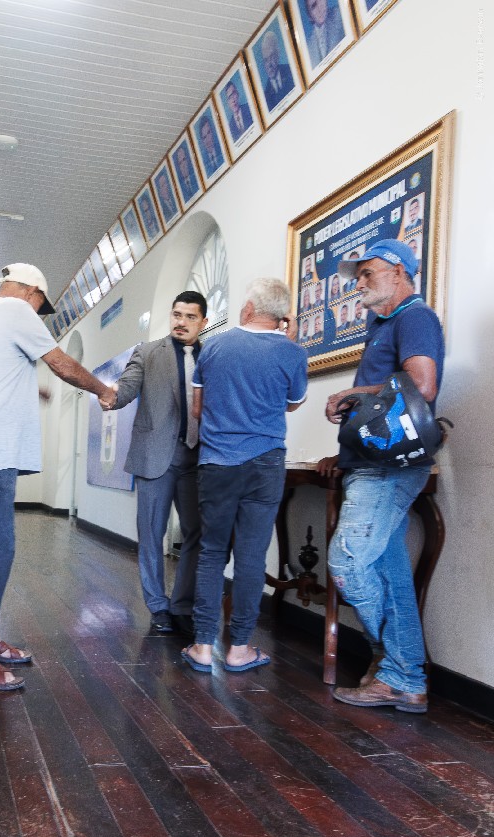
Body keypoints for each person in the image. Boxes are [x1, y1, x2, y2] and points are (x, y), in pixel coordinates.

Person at [0, 263, 116, 691]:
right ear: (32, 292)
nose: (38, 312)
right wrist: (104, 390)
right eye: (41, 305)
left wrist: (31, 390)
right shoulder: (16, 310)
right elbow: (62, 364)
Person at [317, 239, 445, 713]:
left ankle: (398, 671)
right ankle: (404, 676)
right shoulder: (383, 324)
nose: (360, 283)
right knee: (391, 576)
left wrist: (353, 394)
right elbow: (387, 401)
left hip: (388, 469)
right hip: (370, 464)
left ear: (399, 272)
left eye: (368, 272)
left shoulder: (415, 317)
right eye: (359, 276)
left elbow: (422, 386)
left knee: (348, 563)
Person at [181, 277, 307, 673]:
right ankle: (239, 649)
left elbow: (198, 410)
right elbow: (292, 404)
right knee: (252, 557)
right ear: (282, 317)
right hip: (265, 463)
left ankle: (202, 646)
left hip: (217, 462)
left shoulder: (214, 347)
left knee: (212, 552)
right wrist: (289, 343)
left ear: (249, 308)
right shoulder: (293, 352)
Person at [109, 292, 208, 638]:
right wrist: (108, 395)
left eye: (190, 317)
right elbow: (125, 389)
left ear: (203, 322)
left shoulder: (213, 355)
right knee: (152, 533)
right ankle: (158, 606)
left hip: (199, 458)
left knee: (197, 532)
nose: (181, 322)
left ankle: (182, 605)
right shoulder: (148, 352)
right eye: (177, 314)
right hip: (156, 456)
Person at [305, 0, 345, 69]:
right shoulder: (309, 48)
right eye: (313, 6)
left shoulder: (339, 15)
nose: (320, 7)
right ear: (310, 17)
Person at [261, 29, 295, 110]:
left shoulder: (291, 71)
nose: (269, 64)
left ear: (278, 54)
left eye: (271, 57)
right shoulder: (266, 95)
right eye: (266, 60)